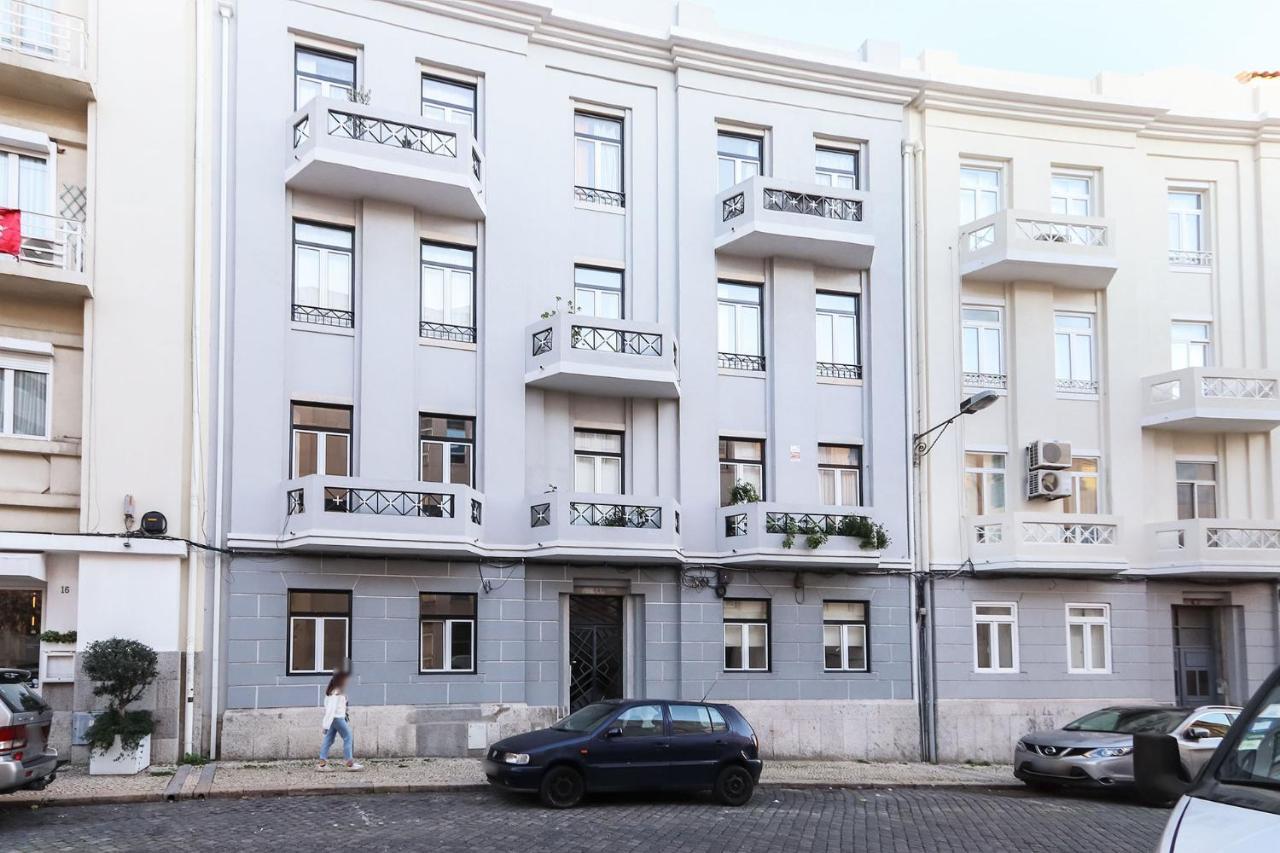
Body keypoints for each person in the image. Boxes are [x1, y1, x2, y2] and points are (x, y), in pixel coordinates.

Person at [317, 670, 362, 771]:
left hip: (335, 718)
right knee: (348, 737)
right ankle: (349, 764)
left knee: (329, 739)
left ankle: (322, 764)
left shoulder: (333, 692)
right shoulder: (336, 693)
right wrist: (325, 725)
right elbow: (330, 710)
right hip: (337, 718)